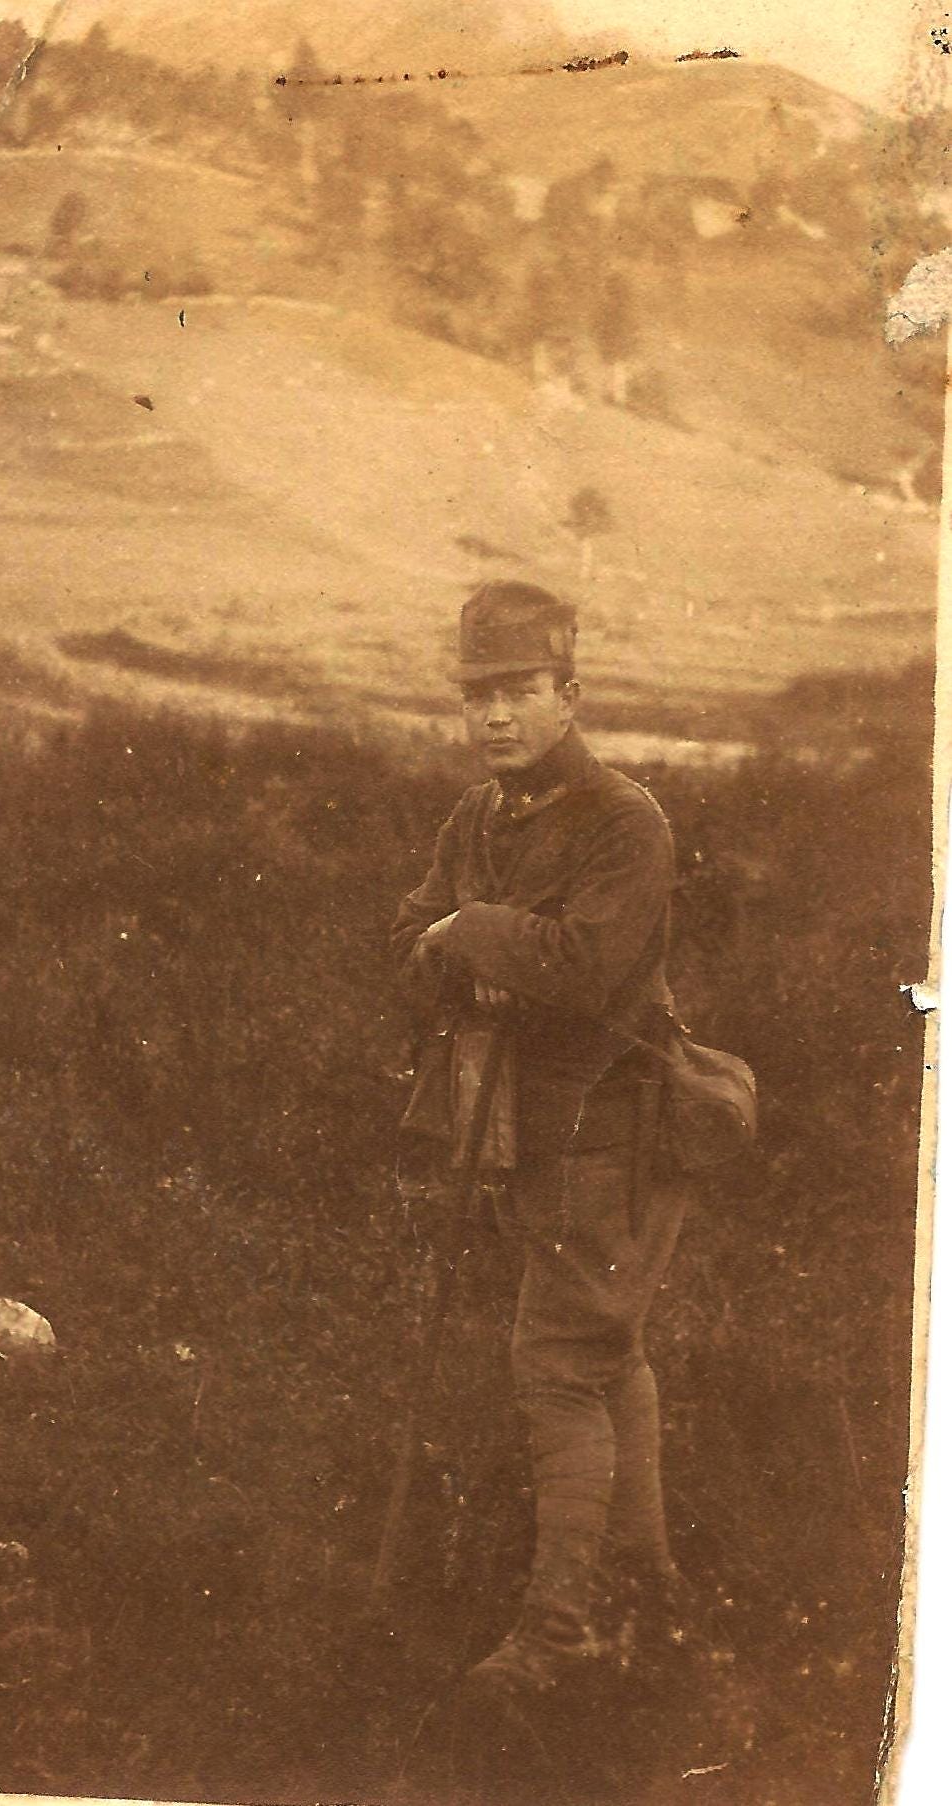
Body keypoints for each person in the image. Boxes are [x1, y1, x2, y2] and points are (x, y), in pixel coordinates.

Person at [391, 578, 694, 1705]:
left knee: (558, 1364)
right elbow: (403, 941)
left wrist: (470, 933)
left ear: (569, 695)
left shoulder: (624, 820)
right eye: (477, 696)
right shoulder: (476, 817)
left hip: (609, 1136)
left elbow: (582, 970)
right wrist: (449, 951)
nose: (495, 717)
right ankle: (645, 1588)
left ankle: (558, 1634)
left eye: (518, 691)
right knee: (607, 1356)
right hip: (532, 1132)